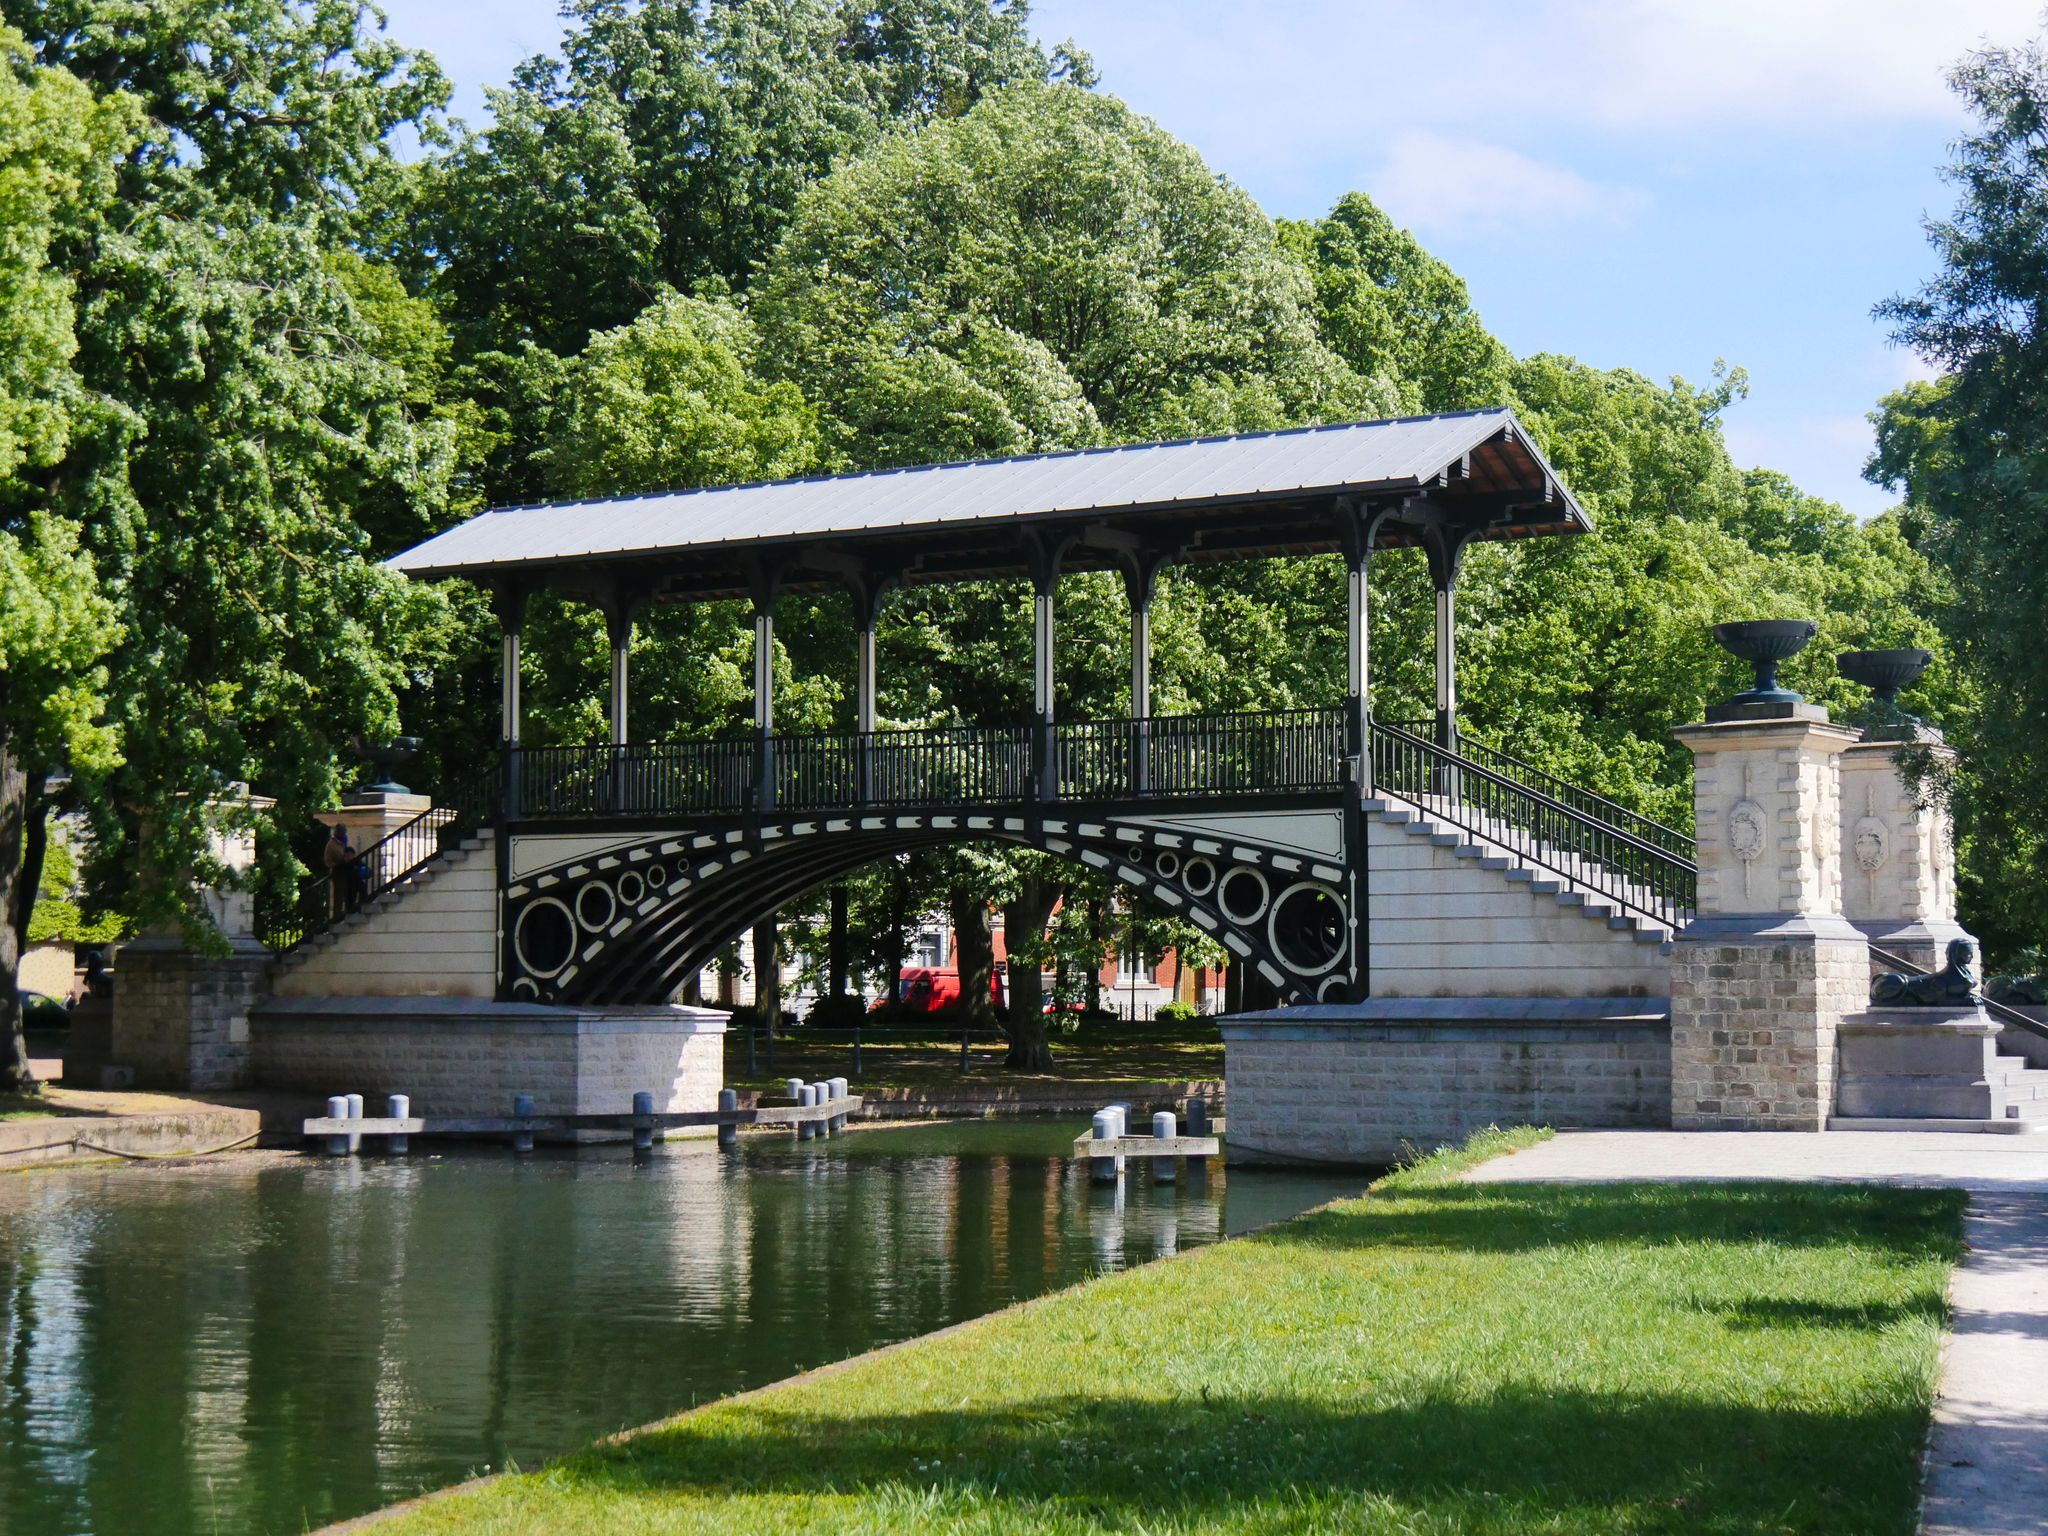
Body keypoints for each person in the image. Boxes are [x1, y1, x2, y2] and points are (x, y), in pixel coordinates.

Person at [324, 824, 359, 916]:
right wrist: (336, 865)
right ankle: (337, 915)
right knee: (339, 895)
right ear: (337, 832)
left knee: (350, 891)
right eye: (341, 831)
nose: (343, 833)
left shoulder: (344, 841)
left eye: (344, 831)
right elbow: (327, 860)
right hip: (338, 871)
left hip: (348, 870)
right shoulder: (331, 844)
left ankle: (350, 910)